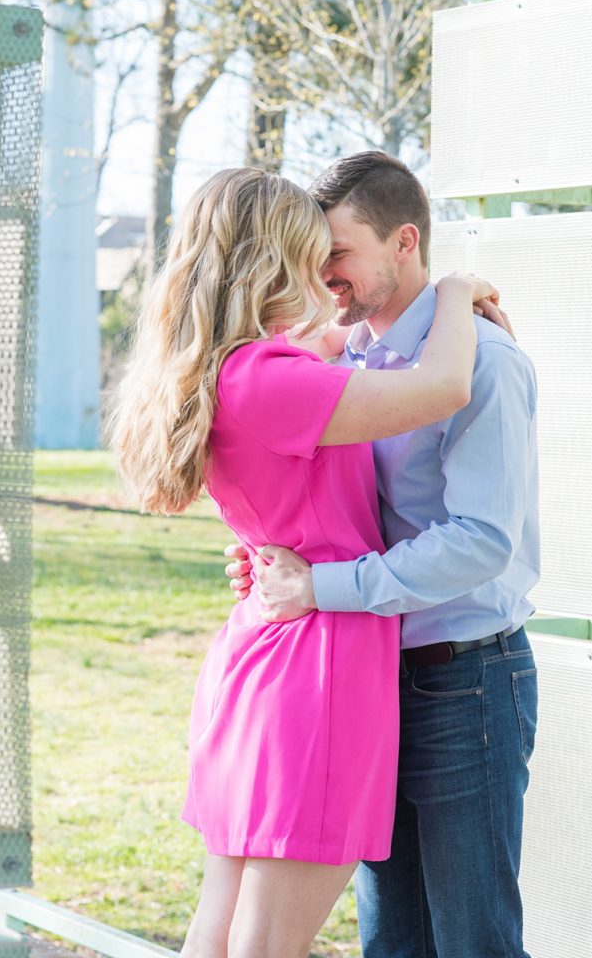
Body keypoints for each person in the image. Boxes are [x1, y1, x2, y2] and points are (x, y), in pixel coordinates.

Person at [110, 166, 501, 958]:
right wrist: (455, 292)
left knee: (218, 933)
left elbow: (336, 347)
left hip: (261, 657)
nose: (324, 276)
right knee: (263, 945)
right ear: (273, 260)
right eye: (310, 254)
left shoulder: (230, 370)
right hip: (319, 669)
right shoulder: (272, 381)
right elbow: (444, 384)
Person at [225, 151, 539, 958]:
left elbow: (480, 541)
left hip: (461, 680)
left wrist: (320, 587)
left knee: (472, 941)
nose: (319, 272)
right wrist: (272, 563)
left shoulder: (484, 362)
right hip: (370, 677)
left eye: (337, 252)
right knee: (391, 940)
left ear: (404, 242)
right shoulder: (344, 360)